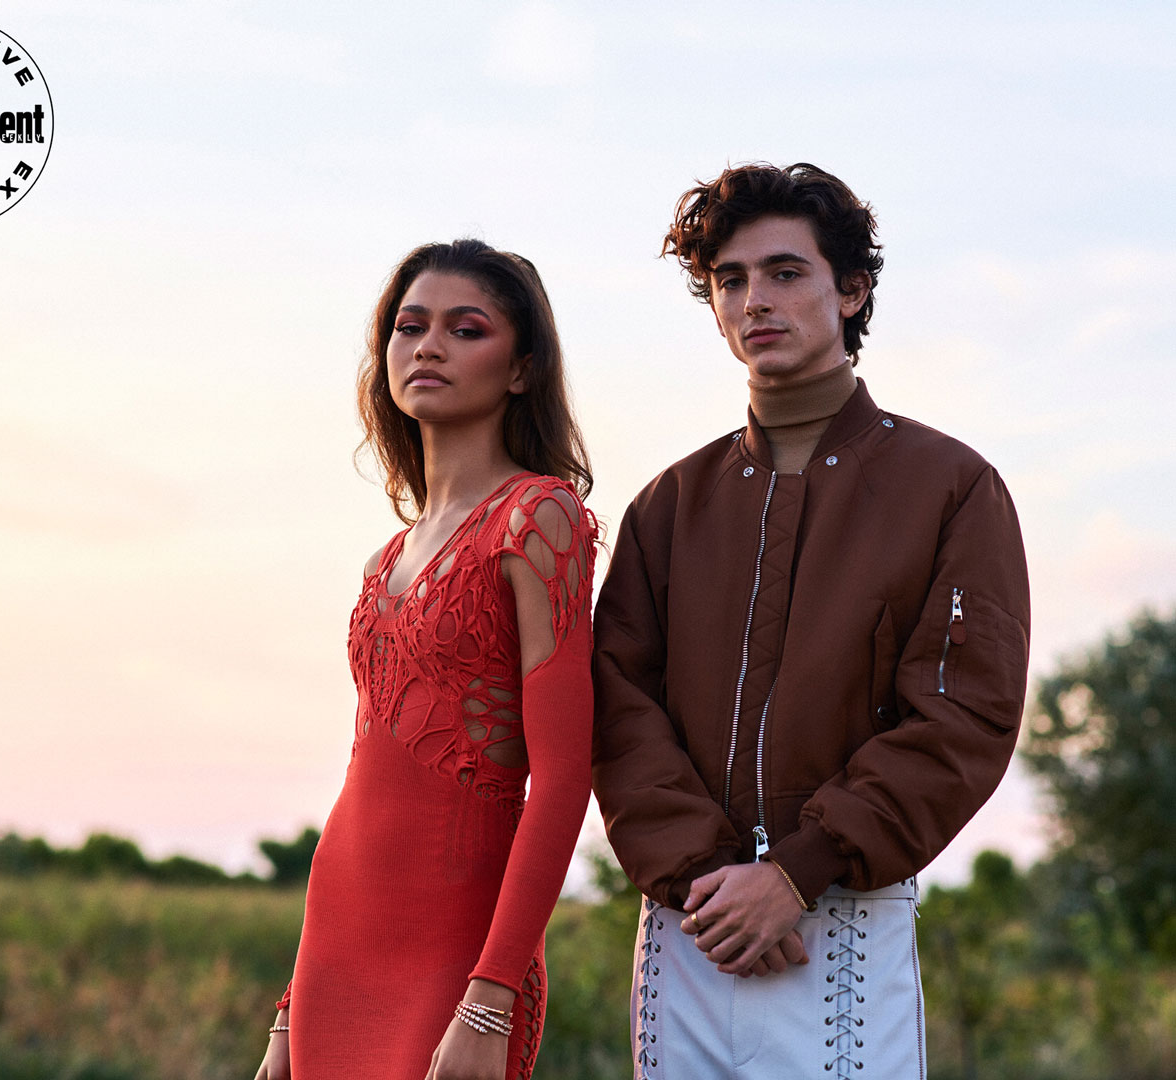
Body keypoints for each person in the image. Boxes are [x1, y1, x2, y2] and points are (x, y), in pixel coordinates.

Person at [591, 163, 1030, 1077]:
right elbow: (616, 709)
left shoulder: (951, 488)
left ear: (853, 287)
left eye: (786, 272)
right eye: (731, 280)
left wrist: (797, 870)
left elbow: (963, 717)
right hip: (691, 927)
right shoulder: (668, 508)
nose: (756, 299)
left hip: (847, 921)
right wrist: (711, 877)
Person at [253, 239, 598, 1080]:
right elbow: (360, 784)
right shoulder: (384, 562)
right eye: (409, 327)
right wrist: (289, 1012)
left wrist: (491, 996)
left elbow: (562, 778)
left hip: (456, 958)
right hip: (338, 956)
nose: (428, 347)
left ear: (520, 369)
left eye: (465, 328)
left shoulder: (539, 517)